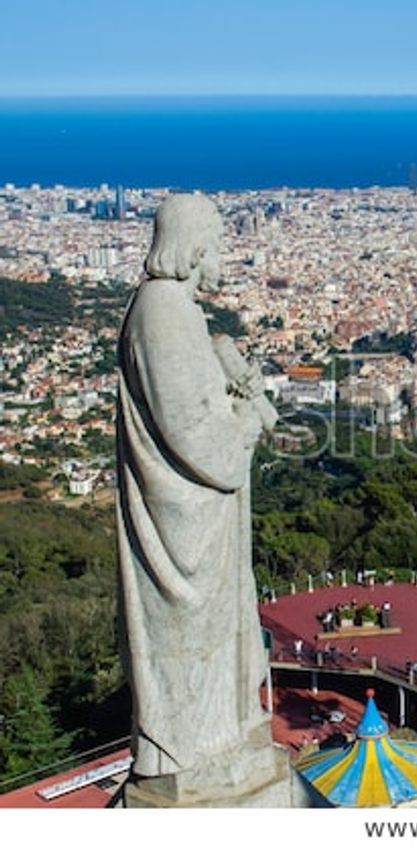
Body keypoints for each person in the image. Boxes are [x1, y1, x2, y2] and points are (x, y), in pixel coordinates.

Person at [116, 195, 276, 782]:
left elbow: (197, 411)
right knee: (194, 635)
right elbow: (195, 438)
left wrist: (232, 396)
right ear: (193, 247)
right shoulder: (163, 314)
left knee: (213, 635)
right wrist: (248, 419)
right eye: (217, 246)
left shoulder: (175, 311)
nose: (222, 258)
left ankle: (218, 734)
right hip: (185, 525)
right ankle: (187, 750)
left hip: (197, 517)